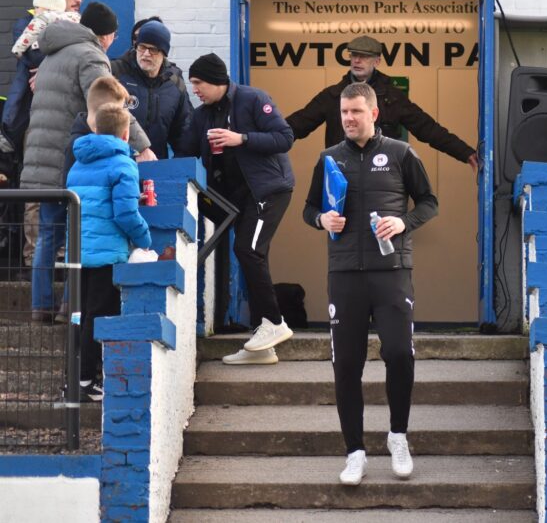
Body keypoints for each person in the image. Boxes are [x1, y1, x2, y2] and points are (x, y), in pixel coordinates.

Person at [303, 82, 438, 485]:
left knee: (398, 353)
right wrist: (320, 220)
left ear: (373, 113)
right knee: (346, 365)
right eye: (344, 113)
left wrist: (405, 222)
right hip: (344, 274)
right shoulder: (329, 159)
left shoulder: (400, 153)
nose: (349, 119)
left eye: (356, 112)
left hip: (391, 272)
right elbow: (310, 207)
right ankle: (355, 452)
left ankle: (398, 436)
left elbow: (429, 201)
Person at [20, 1, 156, 323]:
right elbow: (111, 103)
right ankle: (70, 307)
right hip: (68, 161)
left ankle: (40, 306)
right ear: (106, 35)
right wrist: (143, 146)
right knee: (75, 234)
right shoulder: (90, 55)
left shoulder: (54, 53)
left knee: (47, 234)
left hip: (40, 157)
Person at [178, 53, 295, 363]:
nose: (195, 90)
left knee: (248, 250)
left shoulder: (252, 98)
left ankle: (274, 323)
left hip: (269, 190)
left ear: (217, 81)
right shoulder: (202, 115)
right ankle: (262, 346)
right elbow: (184, 153)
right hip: (237, 199)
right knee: (251, 255)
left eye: (199, 83)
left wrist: (240, 138)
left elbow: (285, 137)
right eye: (192, 84)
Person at [286, 35, 478, 171]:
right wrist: (263, 140)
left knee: (384, 228)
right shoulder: (333, 96)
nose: (357, 60)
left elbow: (427, 128)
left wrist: (464, 152)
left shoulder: (392, 97)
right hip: (342, 176)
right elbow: (298, 124)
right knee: (339, 227)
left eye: (364, 56)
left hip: (383, 175)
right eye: (353, 55)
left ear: (377, 61)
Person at [1, 0, 85, 271]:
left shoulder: (77, 27)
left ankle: (61, 261)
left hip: (66, 120)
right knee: (37, 190)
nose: (77, 0)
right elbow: (35, 55)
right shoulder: (29, 22)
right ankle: (33, 262)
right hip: (34, 122)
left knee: (67, 189)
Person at [67, 103, 152, 401]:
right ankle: (88, 381)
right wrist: (145, 240)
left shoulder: (78, 162)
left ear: (95, 128)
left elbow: (92, 202)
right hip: (106, 254)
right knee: (99, 316)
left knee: (80, 315)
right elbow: (125, 215)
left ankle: (74, 377)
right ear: (127, 133)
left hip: (79, 252)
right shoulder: (123, 163)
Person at [111, 20, 193, 159]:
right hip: (118, 164)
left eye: (153, 49)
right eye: (142, 47)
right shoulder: (116, 73)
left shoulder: (174, 82)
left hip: (156, 166)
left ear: (164, 53)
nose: (146, 54)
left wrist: (180, 166)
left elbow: (183, 131)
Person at [11, 0, 80, 58]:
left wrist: (17, 50)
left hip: (43, 51)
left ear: (47, 8)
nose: (34, 10)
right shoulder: (75, 17)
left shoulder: (43, 17)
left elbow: (30, 34)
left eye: (37, 7)